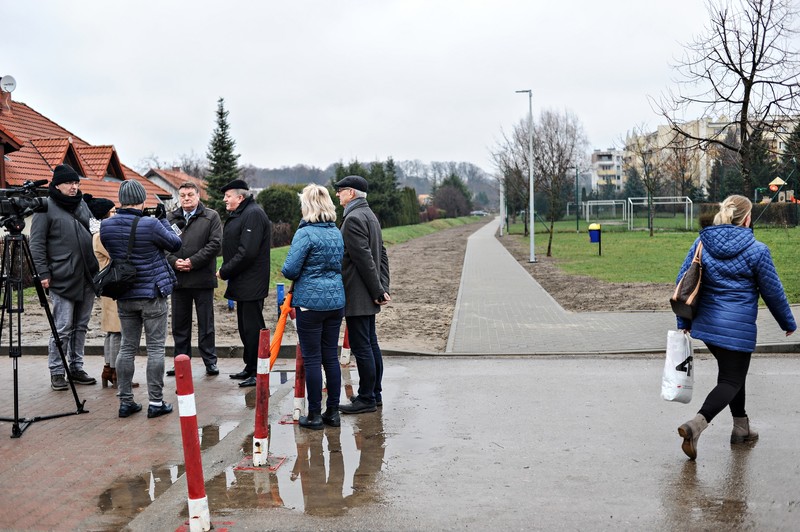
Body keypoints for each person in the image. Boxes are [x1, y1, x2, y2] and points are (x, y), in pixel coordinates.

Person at [674, 194, 796, 460]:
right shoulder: (757, 250)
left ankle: (741, 428)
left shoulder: (702, 243)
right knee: (732, 378)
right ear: (748, 218)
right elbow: (772, 292)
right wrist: (787, 322)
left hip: (706, 327)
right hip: (737, 328)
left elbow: (683, 281)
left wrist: (683, 320)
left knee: (732, 374)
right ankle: (696, 425)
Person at [100, 180, 182, 419]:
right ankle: (156, 402)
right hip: (152, 294)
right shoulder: (152, 224)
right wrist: (164, 220)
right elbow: (175, 243)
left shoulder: (106, 226)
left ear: (121, 200)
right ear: (142, 200)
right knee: (155, 348)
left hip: (124, 294)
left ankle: (125, 401)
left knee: (127, 347)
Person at [281, 184, 345, 429]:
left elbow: (290, 269)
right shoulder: (335, 232)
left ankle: (315, 415)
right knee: (330, 356)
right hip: (335, 301)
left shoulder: (305, 234)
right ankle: (334, 412)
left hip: (310, 303)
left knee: (312, 359)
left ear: (307, 205)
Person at [30, 164, 99, 390]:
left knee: (81, 326)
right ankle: (57, 371)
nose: (74, 187)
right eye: (70, 183)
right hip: (61, 277)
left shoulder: (82, 205)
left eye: (76, 183)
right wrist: (43, 273)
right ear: (57, 185)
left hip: (87, 275)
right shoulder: (45, 208)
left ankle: (76, 367)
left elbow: (94, 231)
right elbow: (37, 243)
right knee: (63, 326)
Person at [333, 175, 390, 415]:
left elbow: (365, 259)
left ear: (352, 193)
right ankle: (374, 393)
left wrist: (378, 289)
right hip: (369, 290)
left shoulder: (354, 219)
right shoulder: (369, 215)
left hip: (358, 293)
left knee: (362, 346)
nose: (338, 195)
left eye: (341, 191)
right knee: (371, 344)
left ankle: (366, 397)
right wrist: (382, 287)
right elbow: (382, 255)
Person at [216, 179, 271, 388]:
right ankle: (250, 367)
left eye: (227, 196)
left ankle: (259, 371)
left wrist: (225, 270)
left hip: (251, 282)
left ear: (240, 197)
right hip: (243, 281)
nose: (224, 200)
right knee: (245, 327)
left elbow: (247, 252)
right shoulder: (244, 213)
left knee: (253, 328)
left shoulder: (253, 214)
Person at [165, 182, 222, 377]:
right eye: (182, 195)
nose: (186, 198)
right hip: (178, 280)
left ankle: (210, 361)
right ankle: (181, 361)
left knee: (206, 323)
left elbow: (215, 244)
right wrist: (174, 262)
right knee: (179, 325)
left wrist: (192, 262)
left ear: (198, 196)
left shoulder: (211, 217)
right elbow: (163, 245)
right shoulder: (170, 218)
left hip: (202, 279)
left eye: (190, 194)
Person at [86, 195, 137, 389]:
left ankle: (108, 368)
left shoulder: (99, 233)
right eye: (113, 211)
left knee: (111, 332)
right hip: (114, 284)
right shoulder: (101, 235)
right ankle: (116, 372)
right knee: (117, 332)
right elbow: (119, 253)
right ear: (106, 214)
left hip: (110, 286)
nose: (116, 213)